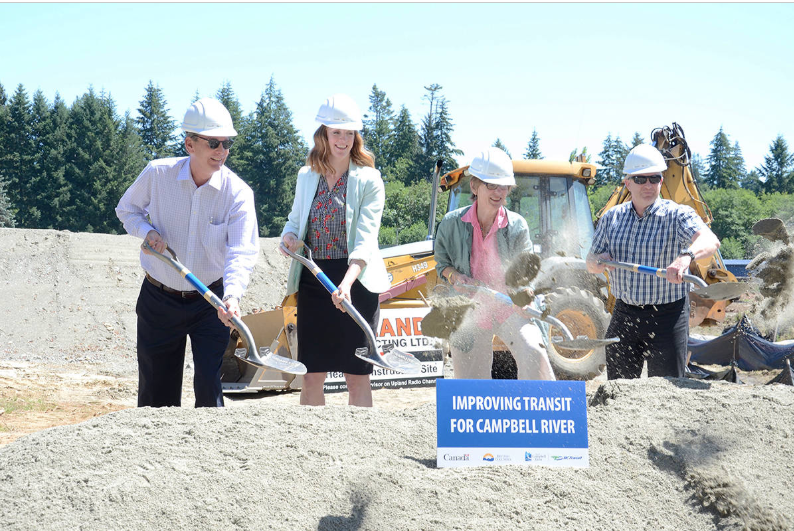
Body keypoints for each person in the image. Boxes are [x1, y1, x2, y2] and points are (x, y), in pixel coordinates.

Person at [116, 97, 260, 408]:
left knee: (210, 391)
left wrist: (232, 297)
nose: (221, 151)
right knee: (157, 396)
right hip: (159, 300)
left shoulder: (238, 194)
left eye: (227, 143)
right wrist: (147, 232)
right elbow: (127, 210)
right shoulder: (157, 175)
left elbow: (241, 251)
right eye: (213, 142)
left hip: (212, 303)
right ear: (189, 144)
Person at [280, 93, 390, 407]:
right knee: (312, 372)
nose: (342, 139)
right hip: (314, 279)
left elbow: (365, 240)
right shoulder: (306, 176)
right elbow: (296, 221)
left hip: (356, 280)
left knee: (357, 374)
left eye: (349, 133)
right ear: (324, 134)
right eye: (336, 132)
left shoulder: (370, 180)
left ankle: (360, 443)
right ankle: (311, 443)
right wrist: (289, 237)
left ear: (356, 137)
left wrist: (347, 283)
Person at [585, 143, 720, 380]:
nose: (648, 185)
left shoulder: (677, 215)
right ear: (627, 182)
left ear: (661, 181)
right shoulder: (611, 218)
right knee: (619, 390)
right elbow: (591, 260)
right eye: (640, 179)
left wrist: (685, 258)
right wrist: (597, 262)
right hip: (624, 314)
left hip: (667, 316)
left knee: (667, 391)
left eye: (654, 178)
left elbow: (710, 240)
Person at [434, 147, 556, 381]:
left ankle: (539, 411)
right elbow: (442, 263)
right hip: (470, 309)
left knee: (533, 350)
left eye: (504, 186)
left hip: (508, 306)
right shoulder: (451, 224)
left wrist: (524, 294)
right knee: (469, 375)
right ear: (475, 186)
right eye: (492, 185)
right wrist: (454, 277)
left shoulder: (517, 225)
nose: (499, 192)